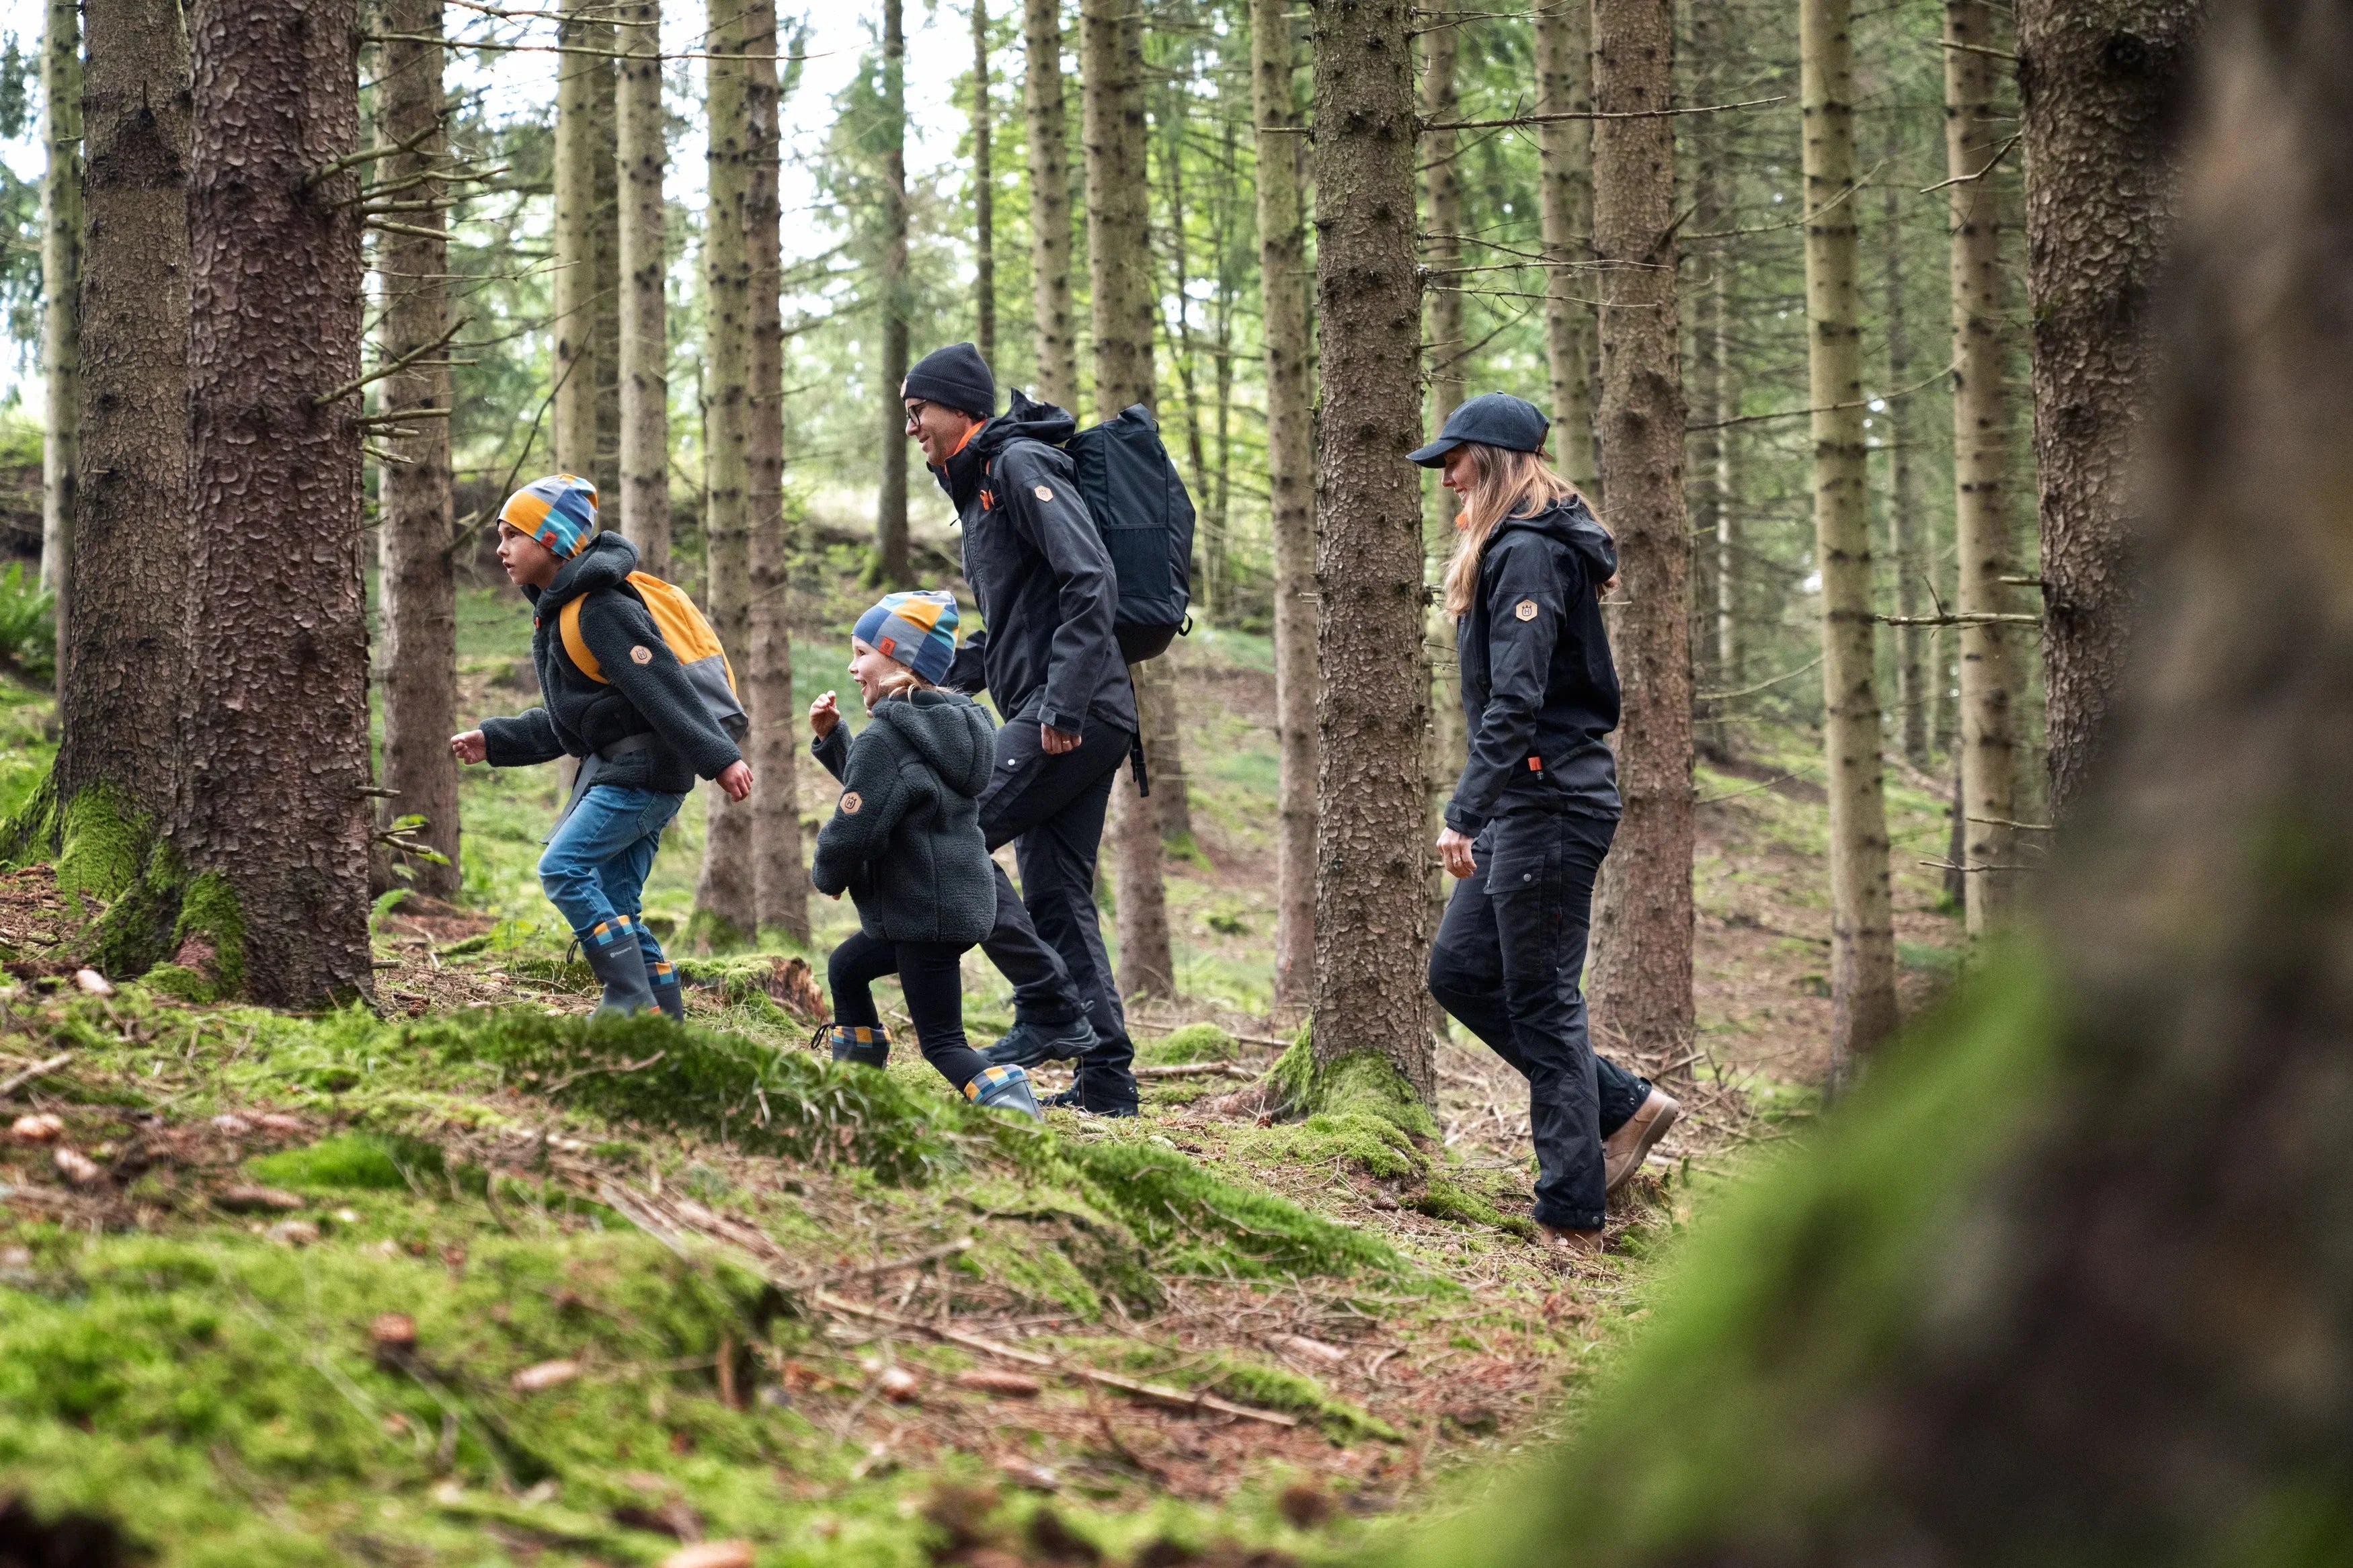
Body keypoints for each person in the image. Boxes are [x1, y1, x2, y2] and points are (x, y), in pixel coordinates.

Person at [1414, 395, 1683, 1255]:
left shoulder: (1527, 553)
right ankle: (1620, 1105)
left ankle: (1571, 1211)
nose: (1445, 476)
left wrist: (1465, 809)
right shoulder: (1509, 549)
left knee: (1539, 998)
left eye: (1454, 460)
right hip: (1521, 801)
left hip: (1548, 800)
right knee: (1459, 972)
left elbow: (1519, 700)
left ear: (1490, 460)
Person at [900, 341, 1142, 1116]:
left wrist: (1062, 705)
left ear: (963, 410)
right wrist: (940, 675)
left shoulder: (1016, 468)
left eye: (918, 412)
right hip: (1070, 710)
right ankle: (1107, 1080)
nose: (912, 429)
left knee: (951, 830)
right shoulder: (978, 493)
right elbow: (1019, 626)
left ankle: (1045, 1007)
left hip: (1072, 713)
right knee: (1058, 895)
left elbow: (1089, 577)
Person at [451, 474, 752, 1017]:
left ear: (552, 541)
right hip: (635, 771)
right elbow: (576, 722)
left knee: (561, 869)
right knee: (618, 901)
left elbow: (664, 688)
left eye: (511, 535)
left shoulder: (599, 609)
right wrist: (495, 740)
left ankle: (626, 995)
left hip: (641, 774)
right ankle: (662, 1018)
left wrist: (721, 758)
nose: (500, 549)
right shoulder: (561, 612)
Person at [807, 590, 1043, 1120]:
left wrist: (829, 871)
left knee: (941, 1042)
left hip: (921, 914)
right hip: (948, 907)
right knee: (847, 967)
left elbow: (857, 824)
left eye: (862, 652)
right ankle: (855, 1091)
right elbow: (888, 789)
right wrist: (835, 739)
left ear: (898, 660)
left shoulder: (889, 738)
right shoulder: (951, 727)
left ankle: (1018, 1111)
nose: (852, 666)